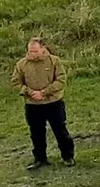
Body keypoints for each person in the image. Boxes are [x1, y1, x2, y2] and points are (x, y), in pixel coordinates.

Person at [14, 37, 74, 168]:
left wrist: (44, 93)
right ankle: (40, 159)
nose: (32, 54)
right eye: (30, 51)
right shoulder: (21, 65)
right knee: (36, 133)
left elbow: (61, 80)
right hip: (32, 105)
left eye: (35, 51)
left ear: (43, 49)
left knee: (60, 130)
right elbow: (16, 82)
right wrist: (29, 92)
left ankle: (68, 156)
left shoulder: (54, 61)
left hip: (53, 103)